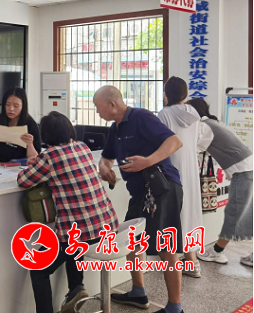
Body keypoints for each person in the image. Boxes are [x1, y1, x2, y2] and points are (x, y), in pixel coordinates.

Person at [93, 86, 184, 313]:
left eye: (98, 106)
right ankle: (138, 292)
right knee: (132, 239)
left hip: (162, 188)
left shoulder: (141, 117)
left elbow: (174, 142)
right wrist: (104, 167)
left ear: (112, 104)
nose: (97, 111)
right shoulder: (115, 128)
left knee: (166, 246)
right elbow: (106, 157)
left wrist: (148, 160)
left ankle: (175, 307)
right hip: (140, 192)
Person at [18, 111, 118, 313]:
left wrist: (35, 164)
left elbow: (23, 181)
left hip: (81, 235)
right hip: (108, 228)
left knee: (37, 266)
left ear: (46, 135)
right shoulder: (83, 147)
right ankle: (76, 289)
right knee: (72, 241)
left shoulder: (49, 157)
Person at [186, 98, 253, 267]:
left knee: (234, 214)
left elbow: (192, 148)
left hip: (244, 171)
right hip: (249, 167)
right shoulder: (214, 122)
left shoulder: (204, 126)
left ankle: (217, 252)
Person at [158, 77, 203, 277]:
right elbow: (198, 140)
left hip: (171, 167)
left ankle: (173, 261)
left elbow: (159, 141)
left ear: (166, 93)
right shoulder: (194, 113)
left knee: (174, 213)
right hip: (191, 167)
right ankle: (192, 261)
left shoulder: (165, 114)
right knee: (189, 210)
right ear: (185, 93)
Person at [0, 87, 40, 166]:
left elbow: (35, 158)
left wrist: (30, 144)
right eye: (7, 105)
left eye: (16, 106)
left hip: (21, 167)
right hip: (2, 166)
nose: (11, 109)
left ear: (23, 106)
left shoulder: (30, 124)